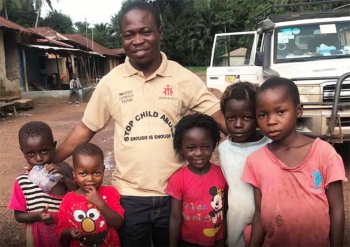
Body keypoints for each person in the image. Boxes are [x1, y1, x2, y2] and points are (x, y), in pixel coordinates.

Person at [53, 2, 227, 246]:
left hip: (174, 194)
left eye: (145, 31)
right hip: (129, 197)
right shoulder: (110, 83)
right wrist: (53, 158)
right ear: (122, 39)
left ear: (160, 32)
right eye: (129, 35)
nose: (137, 40)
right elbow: (86, 129)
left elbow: (219, 116)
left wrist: (257, 143)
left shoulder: (183, 78)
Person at [241, 77, 347, 246]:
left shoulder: (324, 153)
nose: (271, 121)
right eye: (262, 115)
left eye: (280, 111)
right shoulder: (255, 161)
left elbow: (337, 209)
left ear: (298, 111)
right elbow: (260, 212)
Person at [218, 82, 271, 247]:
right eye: (231, 118)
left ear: (258, 116)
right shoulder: (224, 148)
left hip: (268, 219)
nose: (238, 124)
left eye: (247, 117)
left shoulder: (270, 145)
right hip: (236, 218)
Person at [7, 121, 76, 247]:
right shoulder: (23, 181)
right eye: (31, 153)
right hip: (37, 235)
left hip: (66, 232)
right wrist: (37, 216)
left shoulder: (63, 170)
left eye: (44, 151)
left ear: (53, 146)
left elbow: (78, 194)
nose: (38, 158)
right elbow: (18, 215)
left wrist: (64, 179)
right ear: (23, 152)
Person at [165, 113, 227, 247]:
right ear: (181, 148)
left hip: (216, 240)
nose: (199, 153)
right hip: (187, 242)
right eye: (191, 148)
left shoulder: (222, 174)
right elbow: (175, 218)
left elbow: (224, 211)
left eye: (205, 147)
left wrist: (223, 239)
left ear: (214, 145)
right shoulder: (178, 179)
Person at [56, 143, 124, 247]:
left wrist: (100, 204)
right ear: (74, 173)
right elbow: (61, 229)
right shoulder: (68, 200)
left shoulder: (111, 193)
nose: (90, 179)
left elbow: (118, 223)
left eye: (96, 173)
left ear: (103, 170)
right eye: (83, 173)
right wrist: (70, 233)